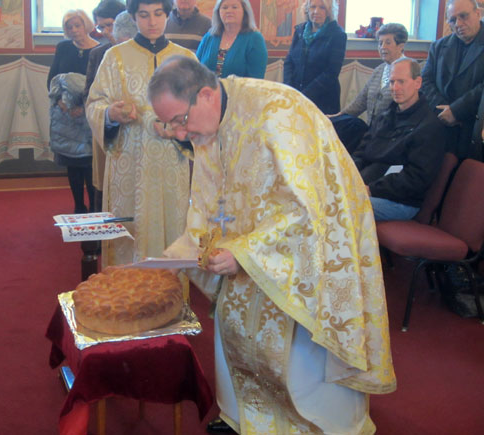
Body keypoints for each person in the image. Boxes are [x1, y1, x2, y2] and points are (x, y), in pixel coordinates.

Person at [149, 55, 396, 435]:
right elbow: (212, 198)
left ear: (206, 94)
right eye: (169, 125)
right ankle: (246, 416)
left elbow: (311, 209)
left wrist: (245, 253)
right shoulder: (210, 123)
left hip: (308, 254)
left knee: (297, 350)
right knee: (238, 322)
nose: (180, 134)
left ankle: (317, 424)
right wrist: (190, 247)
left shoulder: (277, 114)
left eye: (180, 121)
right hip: (253, 253)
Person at [85, 0, 197, 267]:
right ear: (133, 17)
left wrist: (181, 125)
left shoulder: (186, 59)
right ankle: (127, 297)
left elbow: (200, 110)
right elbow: (94, 103)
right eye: (144, 15)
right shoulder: (115, 57)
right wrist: (111, 113)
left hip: (171, 163)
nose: (152, 22)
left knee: (171, 228)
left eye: (159, 14)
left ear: (167, 15)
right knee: (129, 230)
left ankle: (169, 295)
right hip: (129, 161)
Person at [352, 58, 447, 222]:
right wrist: (347, 174)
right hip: (365, 185)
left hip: (399, 201)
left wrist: (370, 189)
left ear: (418, 83)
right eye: (392, 82)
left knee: (341, 207)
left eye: (401, 82)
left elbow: (415, 178)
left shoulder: (429, 126)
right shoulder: (385, 116)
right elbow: (361, 152)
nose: (395, 88)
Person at [47, 10, 99, 214]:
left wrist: (84, 107)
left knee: (90, 165)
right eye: (69, 27)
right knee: (73, 164)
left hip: (90, 115)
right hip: (66, 116)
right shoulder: (63, 47)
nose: (74, 30)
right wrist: (62, 103)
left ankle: (95, 206)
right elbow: (52, 79)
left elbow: (102, 85)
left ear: (86, 25)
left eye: (77, 25)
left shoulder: (100, 49)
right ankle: (79, 206)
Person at [85, 10, 137, 212]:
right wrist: (107, 113)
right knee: (108, 192)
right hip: (111, 137)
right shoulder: (101, 55)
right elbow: (90, 95)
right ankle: (102, 242)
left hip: (144, 140)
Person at [329, 23, 408, 153]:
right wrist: (337, 116)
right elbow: (361, 101)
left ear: (401, 46)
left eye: (388, 43)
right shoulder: (379, 70)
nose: (382, 47)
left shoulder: (409, 70)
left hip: (394, 139)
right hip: (373, 135)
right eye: (380, 43)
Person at [421, 0, 484, 161]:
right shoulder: (438, 46)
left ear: (478, 13)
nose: (459, 24)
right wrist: (444, 111)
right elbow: (426, 81)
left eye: (464, 16)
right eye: (453, 19)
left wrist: (456, 110)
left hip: (473, 125)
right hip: (441, 124)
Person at [283, 0, 346, 114]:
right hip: (296, 96)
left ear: (329, 11)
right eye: (313, 7)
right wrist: (289, 89)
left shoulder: (338, 34)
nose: (316, 11)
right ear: (307, 9)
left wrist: (304, 95)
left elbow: (331, 72)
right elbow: (289, 61)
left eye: (322, 8)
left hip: (323, 100)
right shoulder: (299, 31)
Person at [195, 0, 267, 79]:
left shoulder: (255, 39)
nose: (229, 11)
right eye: (225, 7)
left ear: (245, 11)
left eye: (234, 7)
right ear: (218, 12)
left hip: (239, 91)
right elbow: (196, 69)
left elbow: (256, 79)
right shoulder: (209, 37)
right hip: (207, 90)